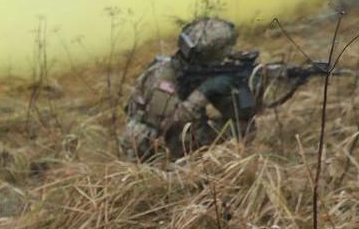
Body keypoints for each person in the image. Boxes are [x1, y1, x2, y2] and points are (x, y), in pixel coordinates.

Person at [119, 17, 315, 161]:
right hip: (151, 148)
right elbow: (169, 121)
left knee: (243, 129)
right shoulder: (163, 76)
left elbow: (242, 115)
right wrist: (206, 90)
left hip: (179, 134)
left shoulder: (202, 70)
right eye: (222, 51)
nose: (227, 55)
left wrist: (249, 87)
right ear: (207, 54)